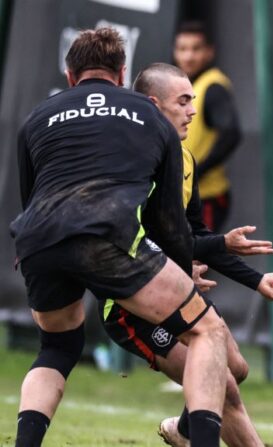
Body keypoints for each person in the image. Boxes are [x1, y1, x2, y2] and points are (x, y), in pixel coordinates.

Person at [11, 28, 232, 447]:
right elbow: (170, 221)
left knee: (57, 346)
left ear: (70, 75)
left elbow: (31, 197)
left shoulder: (38, 117)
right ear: (122, 72)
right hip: (109, 235)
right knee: (207, 331)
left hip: (38, 238)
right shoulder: (148, 114)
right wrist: (183, 278)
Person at [98, 62, 273, 447]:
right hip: (130, 306)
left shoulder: (184, 159)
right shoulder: (132, 163)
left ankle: (185, 430)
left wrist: (257, 280)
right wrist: (216, 246)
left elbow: (194, 235)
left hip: (173, 290)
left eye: (193, 100)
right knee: (222, 387)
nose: (193, 110)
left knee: (235, 368)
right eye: (184, 101)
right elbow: (139, 240)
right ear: (153, 105)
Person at [173, 20, 241, 231]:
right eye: (182, 49)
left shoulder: (213, 86)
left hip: (206, 199)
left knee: (198, 259)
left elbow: (231, 134)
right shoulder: (190, 86)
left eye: (196, 49)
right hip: (188, 197)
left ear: (210, 52)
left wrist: (197, 171)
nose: (188, 56)